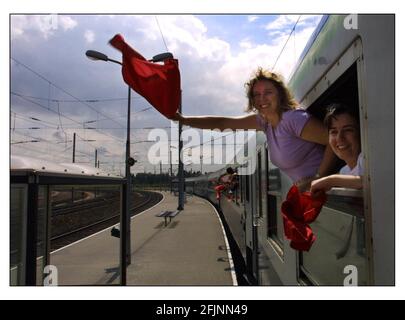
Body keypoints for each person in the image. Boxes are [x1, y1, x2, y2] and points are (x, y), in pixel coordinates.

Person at [171, 67, 337, 191]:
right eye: (256, 94)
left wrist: (318, 179)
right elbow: (223, 123)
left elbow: (335, 141)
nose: (262, 98)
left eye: (268, 92)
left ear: (280, 94)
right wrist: (184, 120)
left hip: (325, 190)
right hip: (311, 195)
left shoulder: (292, 118)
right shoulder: (265, 123)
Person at [310, 103, 363, 194]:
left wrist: (331, 180)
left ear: (360, 132)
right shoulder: (344, 170)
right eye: (334, 132)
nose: (339, 138)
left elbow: (371, 181)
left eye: (348, 130)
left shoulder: (366, 159)